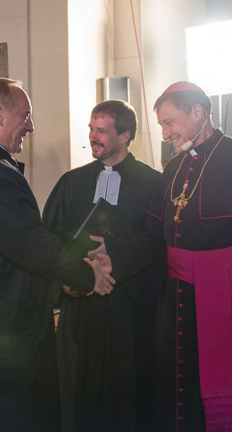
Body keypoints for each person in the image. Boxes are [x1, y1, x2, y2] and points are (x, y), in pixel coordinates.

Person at [0, 77, 115, 432]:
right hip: (3, 332)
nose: (30, 126)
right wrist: (89, 274)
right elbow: (32, 245)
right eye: (25, 115)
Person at [149, 81, 232, 432]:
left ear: (197, 112)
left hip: (229, 303)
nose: (164, 133)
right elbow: (153, 235)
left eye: (169, 122)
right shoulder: (175, 168)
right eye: (161, 125)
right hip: (179, 302)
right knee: (183, 389)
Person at [43, 99, 166, 432]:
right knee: (76, 391)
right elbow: (49, 239)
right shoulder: (72, 182)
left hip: (128, 309)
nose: (93, 136)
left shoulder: (153, 183)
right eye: (91, 129)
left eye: (102, 131)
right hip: (79, 305)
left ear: (125, 136)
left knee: (126, 395)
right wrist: (68, 280)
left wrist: (117, 259)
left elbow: (159, 241)